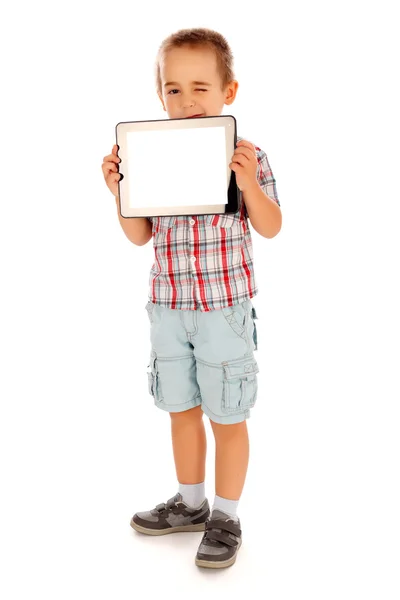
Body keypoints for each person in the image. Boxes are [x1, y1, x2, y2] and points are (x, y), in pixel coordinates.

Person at [101, 27, 282, 569]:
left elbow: (271, 226)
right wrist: (119, 194)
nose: (186, 100)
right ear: (160, 96)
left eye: (200, 87)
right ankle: (192, 504)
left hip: (223, 309)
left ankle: (226, 515)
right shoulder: (149, 156)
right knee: (180, 409)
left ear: (229, 92)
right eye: (173, 89)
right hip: (168, 306)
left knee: (227, 415)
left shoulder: (247, 156)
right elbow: (140, 237)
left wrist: (249, 184)